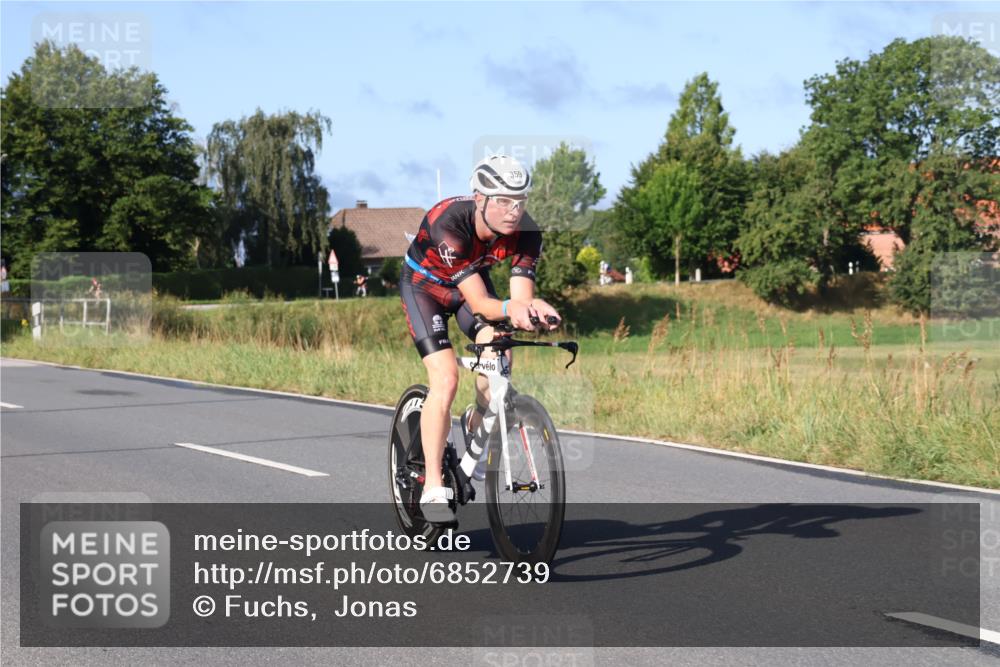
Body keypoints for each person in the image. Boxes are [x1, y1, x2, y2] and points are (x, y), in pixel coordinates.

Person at [399, 154, 560, 522]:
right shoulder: (449, 225)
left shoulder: (528, 233)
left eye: (520, 201)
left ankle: (477, 421)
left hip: (470, 284)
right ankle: (433, 485)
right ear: (479, 198)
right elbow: (481, 304)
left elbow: (519, 298)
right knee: (446, 379)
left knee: (501, 354)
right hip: (425, 288)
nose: (513, 211)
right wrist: (512, 308)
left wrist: (533, 307)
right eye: (503, 200)